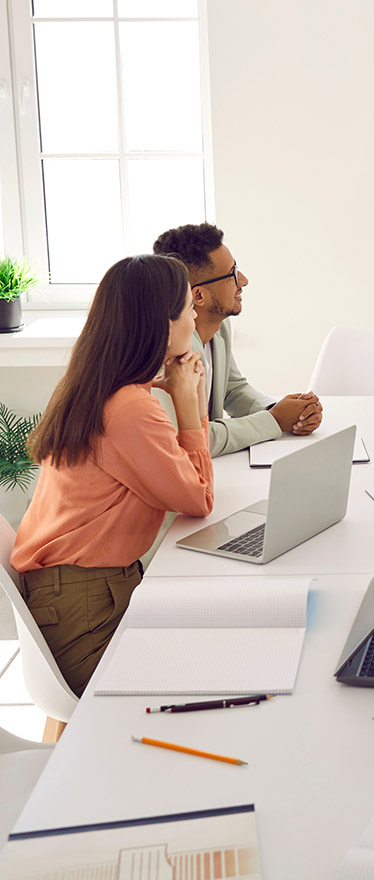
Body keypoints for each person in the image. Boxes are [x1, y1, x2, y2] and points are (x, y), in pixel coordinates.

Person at [11, 255, 214, 695]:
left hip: (73, 597)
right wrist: (189, 404)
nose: (196, 314)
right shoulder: (130, 408)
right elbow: (198, 500)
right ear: (163, 327)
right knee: (213, 667)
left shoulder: (97, 386)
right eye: (187, 307)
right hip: (85, 615)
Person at [153, 223, 322, 457]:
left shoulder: (219, 325)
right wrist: (273, 421)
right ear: (199, 296)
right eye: (232, 274)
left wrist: (284, 411)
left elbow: (233, 390)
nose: (243, 280)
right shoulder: (169, 349)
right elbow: (190, 439)